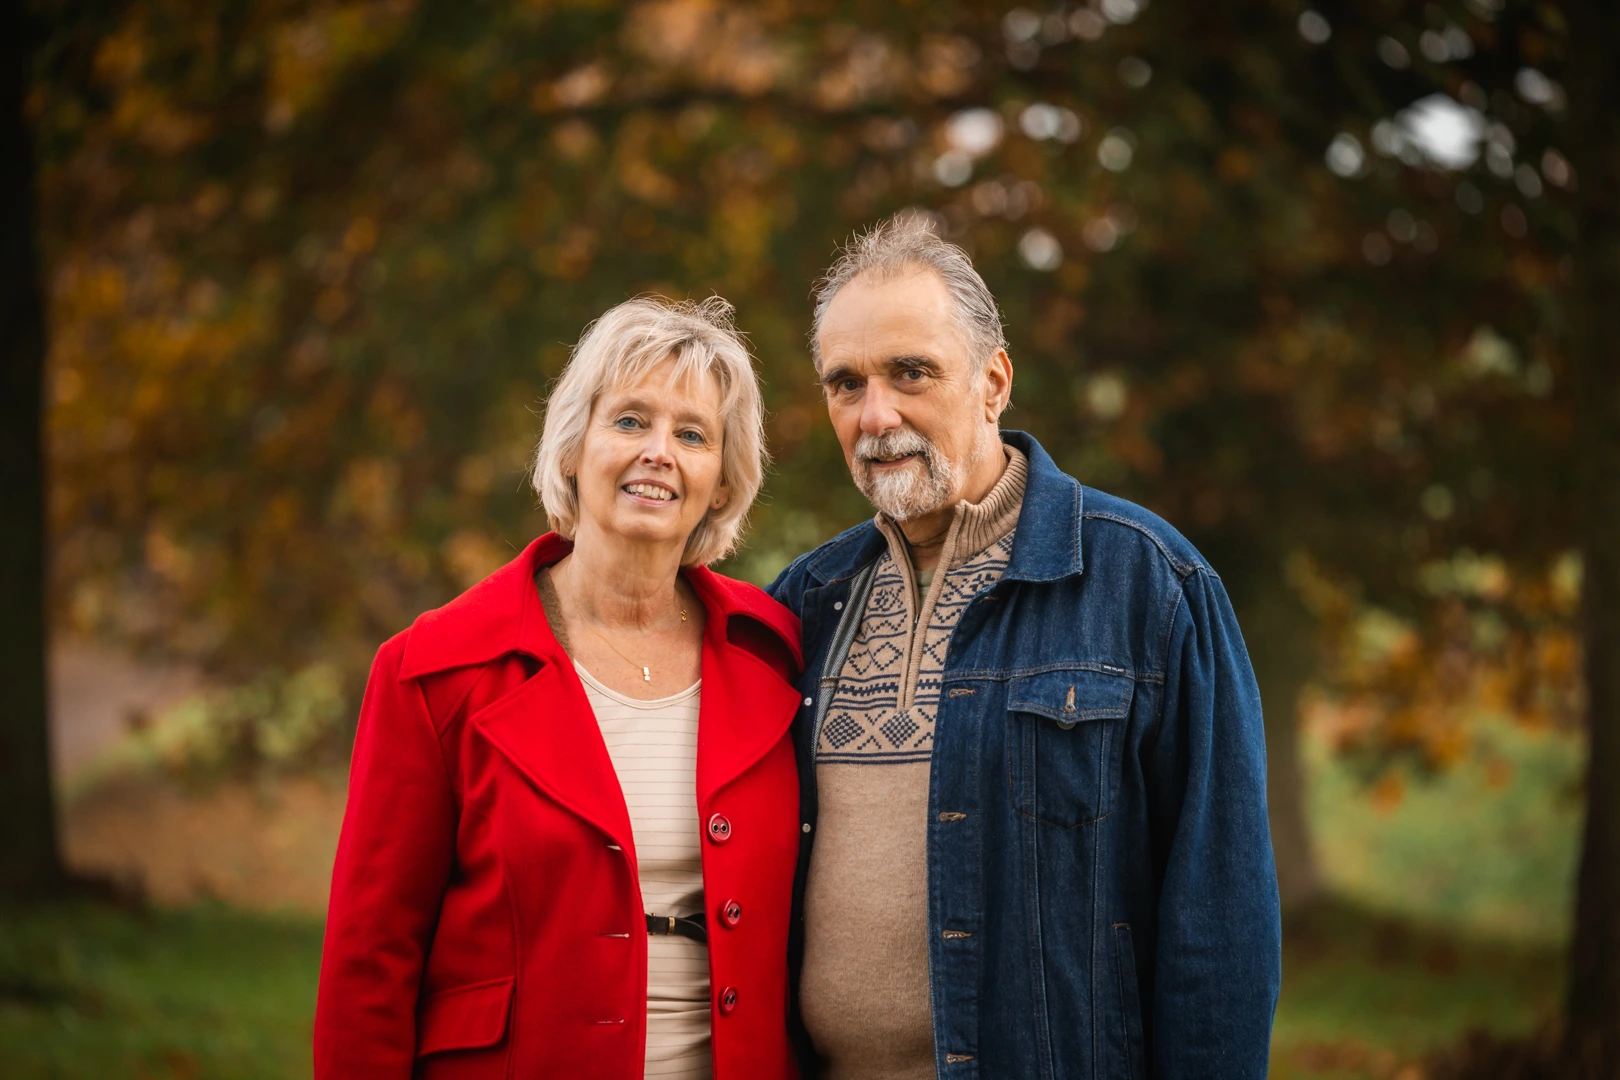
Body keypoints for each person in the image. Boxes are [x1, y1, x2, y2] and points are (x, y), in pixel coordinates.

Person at [769, 214, 1282, 1079]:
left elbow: (1220, 923)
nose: (876, 413)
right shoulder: (804, 604)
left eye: (910, 373)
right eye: (845, 383)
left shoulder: (1151, 587)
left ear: (994, 381)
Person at [315, 296, 804, 1079]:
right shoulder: (435, 670)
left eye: (692, 434)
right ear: (574, 449)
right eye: (630, 421)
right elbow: (369, 962)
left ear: (721, 482)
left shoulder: (774, 652)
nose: (659, 453)